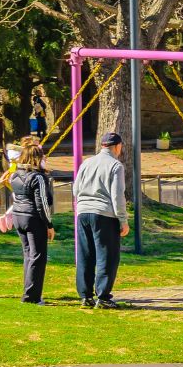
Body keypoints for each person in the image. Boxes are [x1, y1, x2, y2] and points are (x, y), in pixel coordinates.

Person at [73, 132, 129, 309]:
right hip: (104, 213)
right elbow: (117, 195)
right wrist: (123, 220)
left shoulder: (87, 163)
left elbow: (76, 189)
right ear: (117, 146)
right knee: (107, 255)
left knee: (85, 254)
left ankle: (85, 296)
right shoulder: (115, 165)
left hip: (83, 212)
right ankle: (103, 296)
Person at [9, 143, 55, 304]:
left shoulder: (14, 175)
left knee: (28, 255)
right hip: (33, 218)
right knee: (38, 256)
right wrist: (49, 224)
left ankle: (29, 291)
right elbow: (42, 203)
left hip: (18, 216)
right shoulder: (38, 177)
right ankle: (32, 296)